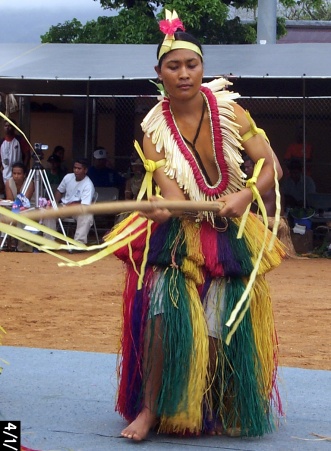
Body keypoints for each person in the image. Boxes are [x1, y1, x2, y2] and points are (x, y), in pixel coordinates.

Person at [109, 10, 285, 442]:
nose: (184, 74)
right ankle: (152, 408)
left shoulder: (231, 110)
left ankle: (226, 400)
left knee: (228, 315)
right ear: (159, 73)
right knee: (164, 309)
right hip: (181, 232)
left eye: (192, 64)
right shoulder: (153, 129)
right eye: (174, 66)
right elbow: (173, 198)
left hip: (234, 230)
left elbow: (271, 166)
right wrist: (162, 209)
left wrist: (245, 195)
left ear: (202, 67)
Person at [243, 155, 299, 258]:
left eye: (248, 167)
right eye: (244, 168)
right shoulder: (266, 181)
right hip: (275, 221)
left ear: (256, 167)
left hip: (269, 222)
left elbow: (241, 199)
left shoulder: (261, 184)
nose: (245, 170)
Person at [45, 158, 95, 244]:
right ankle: (49, 243)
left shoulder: (88, 184)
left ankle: (78, 244)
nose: (76, 170)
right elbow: (59, 191)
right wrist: (54, 203)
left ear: (85, 170)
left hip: (78, 209)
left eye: (79, 168)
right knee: (48, 211)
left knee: (86, 216)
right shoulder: (68, 177)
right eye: (75, 168)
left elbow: (84, 205)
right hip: (64, 206)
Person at [0, 119, 31, 184]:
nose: (7, 128)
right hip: (5, 175)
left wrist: (23, 167)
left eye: (10, 126)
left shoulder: (19, 140)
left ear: (14, 127)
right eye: (6, 126)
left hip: (18, 175)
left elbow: (27, 154)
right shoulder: (1, 142)